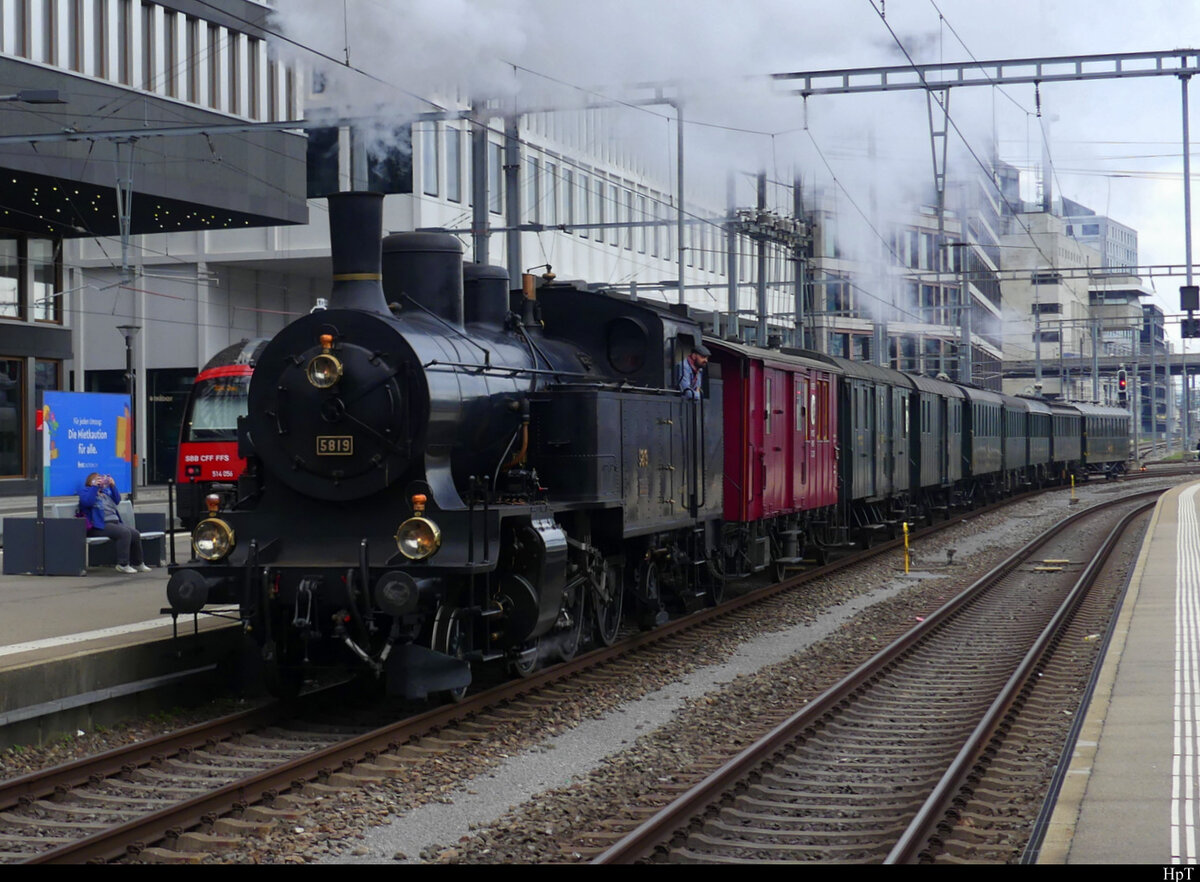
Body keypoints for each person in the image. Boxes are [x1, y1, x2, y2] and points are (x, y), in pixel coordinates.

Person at [78, 472, 150, 574]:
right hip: (99, 525)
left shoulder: (105, 493)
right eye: (97, 479)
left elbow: (117, 500)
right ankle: (123, 564)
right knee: (124, 533)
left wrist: (112, 486)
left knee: (135, 534)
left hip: (114, 522)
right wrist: (94, 488)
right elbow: (87, 502)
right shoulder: (85, 492)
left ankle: (138, 563)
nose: (100, 481)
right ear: (90, 482)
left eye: (101, 479)